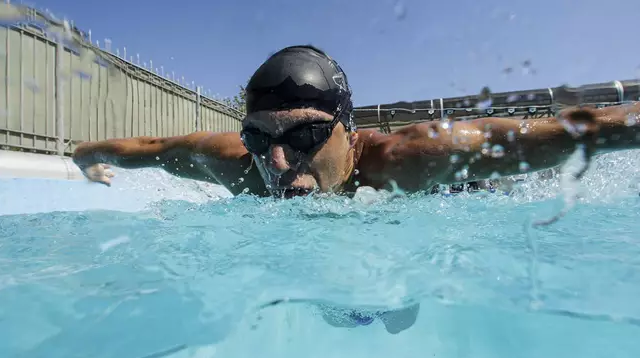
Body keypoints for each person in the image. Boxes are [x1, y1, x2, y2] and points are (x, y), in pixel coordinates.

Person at [72, 45, 640, 334]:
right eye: (258, 136)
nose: (277, 159)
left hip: (454, 196)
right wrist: (84, 155)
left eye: (307, 134)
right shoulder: (240, 164)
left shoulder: (409, 158)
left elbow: (575, 131)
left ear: (348, 127)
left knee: (398, 314)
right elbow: (153, 149)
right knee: (336, 308)